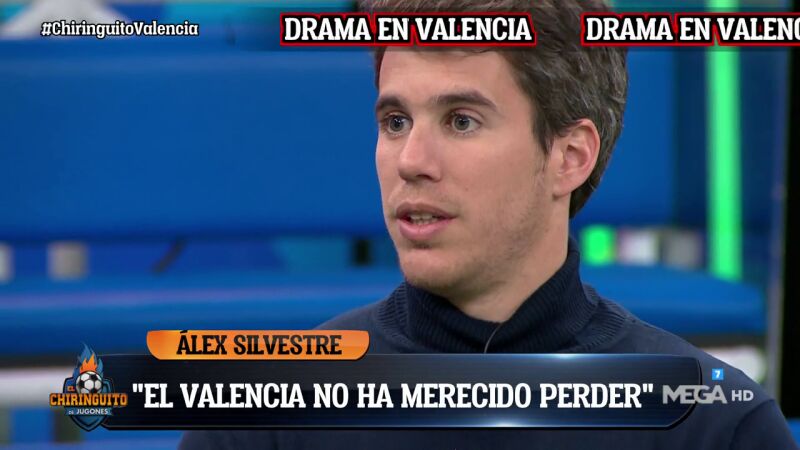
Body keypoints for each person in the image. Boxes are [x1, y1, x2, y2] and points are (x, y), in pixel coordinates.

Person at [181, 0, 797, 448]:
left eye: (461, 121)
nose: (411, 161)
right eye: (395, 122)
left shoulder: (716, 428)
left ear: (569, 156)